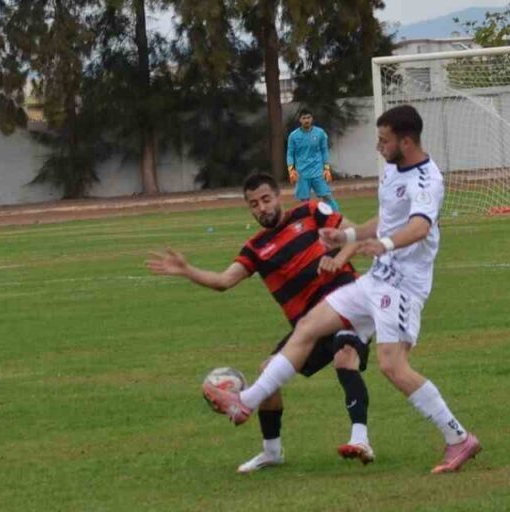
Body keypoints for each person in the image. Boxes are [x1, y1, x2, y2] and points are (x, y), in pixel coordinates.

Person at [205, 105, 481, 474]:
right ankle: (246, 402)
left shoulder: (427, 181)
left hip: (402, 288)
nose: (378, 147)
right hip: (375, 280)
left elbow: (418, 228)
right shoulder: (393, 171)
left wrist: (383, 246)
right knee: (307, 327)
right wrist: (347, 236)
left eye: (384, 141)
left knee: (392, 367)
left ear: (407, 140)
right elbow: (386, 219)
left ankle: (459, 438)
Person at [146, 172, 375, 473]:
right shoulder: (255, 248)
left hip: (349, 304)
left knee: (345, 356)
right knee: (269, 371)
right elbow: (224, 281)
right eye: (254, 204)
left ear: (279, 196)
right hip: (309, 324)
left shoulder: (311, 212)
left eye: (266, 199)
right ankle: (272, 452)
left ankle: (361, 440)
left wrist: (337, 257)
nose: (261, 208)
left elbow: (357, 235)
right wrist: (187, 270)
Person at [286, 109, 340, 212]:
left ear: (312, 119)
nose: (306, 120)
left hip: (318, 172)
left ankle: (336, 217)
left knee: (327, 196)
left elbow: (324, 151)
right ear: (300, 120)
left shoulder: (320, 133)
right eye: (304, 118)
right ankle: (307, 222)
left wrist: (326, 168)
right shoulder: (293, 136)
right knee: (304, 202)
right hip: (302, 174)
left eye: (308, 118)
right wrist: (291, 170)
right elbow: (290, 154)